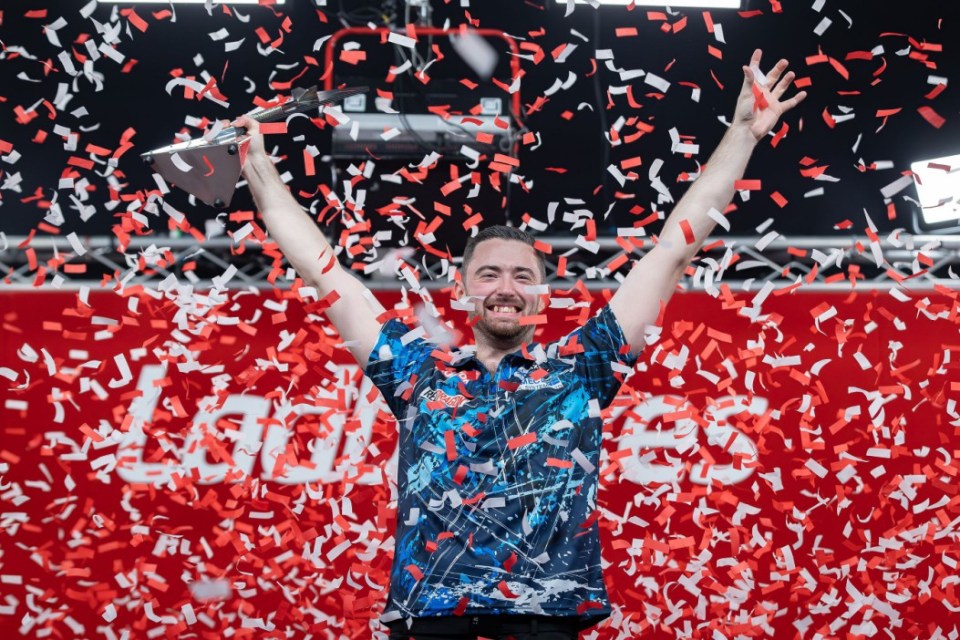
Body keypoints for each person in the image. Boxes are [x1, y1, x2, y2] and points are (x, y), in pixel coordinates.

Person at [237, 49, 805, 640]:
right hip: (430, 615)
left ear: (543, 296)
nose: (505, 289)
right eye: (488, 275)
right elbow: (324, 270)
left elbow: (671, 250)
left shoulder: (583, 368)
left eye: (522, 277)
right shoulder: (414, 369)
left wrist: (742, 134)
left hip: (545, 616)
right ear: (460, 292)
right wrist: (258, 166)